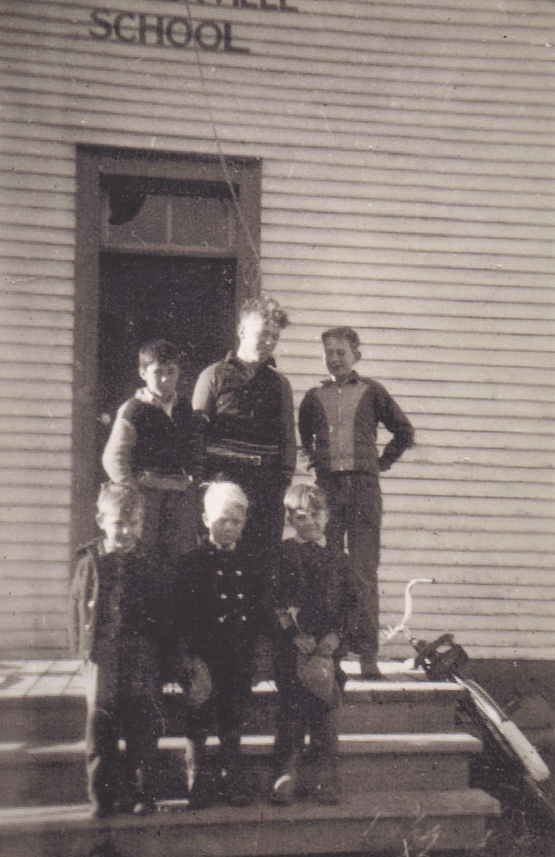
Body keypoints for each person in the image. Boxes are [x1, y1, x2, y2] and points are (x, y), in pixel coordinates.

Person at [298, 327, 414, 679]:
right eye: (329, 352)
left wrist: (380, 464)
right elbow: (304, 437)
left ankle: (367, 655)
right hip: (329, 492)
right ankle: (330, 652)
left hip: (364, 490)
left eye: (341, 353)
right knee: (329, 569)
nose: (334, 358)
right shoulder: (313, 396)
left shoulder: (372, 391)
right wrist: (318, 463)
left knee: (363, 573)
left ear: (356, 356)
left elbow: (404, 431)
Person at [68, 482, 164, 818]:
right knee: (101, 724)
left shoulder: (149, 562)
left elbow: (161, 612)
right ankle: (103, 797)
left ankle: (143, 793)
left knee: (142, 722)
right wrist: (83, 655)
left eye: (134, 523)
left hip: (140, 652)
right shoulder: (90, 562)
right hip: (103, 652)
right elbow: (77, 610)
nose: (126, 531)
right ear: (100, 520)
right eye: (118, 523)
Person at [170, 481, 264, 809]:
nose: (228, 527)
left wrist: (257, 655)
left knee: (232, 715)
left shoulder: (252, 564)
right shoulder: (191, 562)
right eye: (222, 519)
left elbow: (258, 612)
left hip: (237, 655)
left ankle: (231, 775)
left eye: (236, 521)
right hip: (203, 657)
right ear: (205, 519)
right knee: (199, 714)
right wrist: (185, 658)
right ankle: (197, 777)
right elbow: (179, 617)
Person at [267, 483, 358, 806]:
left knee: (324, 714)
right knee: (292, 712)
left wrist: (338, 636)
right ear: (290, 520)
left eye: (316, 514)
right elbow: (274, 600)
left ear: (328, 516)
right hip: (293, 650)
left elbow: (352, 604)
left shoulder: (339, 558)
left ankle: (326, 777)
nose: (309, 522)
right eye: (301, 516)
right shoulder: (282, 554)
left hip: (326, 652)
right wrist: (292, 634)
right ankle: (286, 773)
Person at [192, 295, 296, 556]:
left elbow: (287, 438)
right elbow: (196, 433)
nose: (269, 342)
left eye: (274, 337)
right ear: (241, 331)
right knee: (220, 553)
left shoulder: (279, 384)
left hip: (265, 485)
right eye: (262, 334)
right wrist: (205, 483)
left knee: (262, 559)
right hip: (223, 480)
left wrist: (281, 481)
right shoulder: (213, 375)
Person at [102, 338, 198, 573]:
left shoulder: (185, 409)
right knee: (146, 559)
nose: (165, 379)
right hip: (148, 498)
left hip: (178, 497)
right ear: (143, 373)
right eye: (158, 372)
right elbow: (113, 459)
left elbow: (193, 450)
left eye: (171, 372)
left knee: (177, 561)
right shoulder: (134, 409)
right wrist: (134, 493)